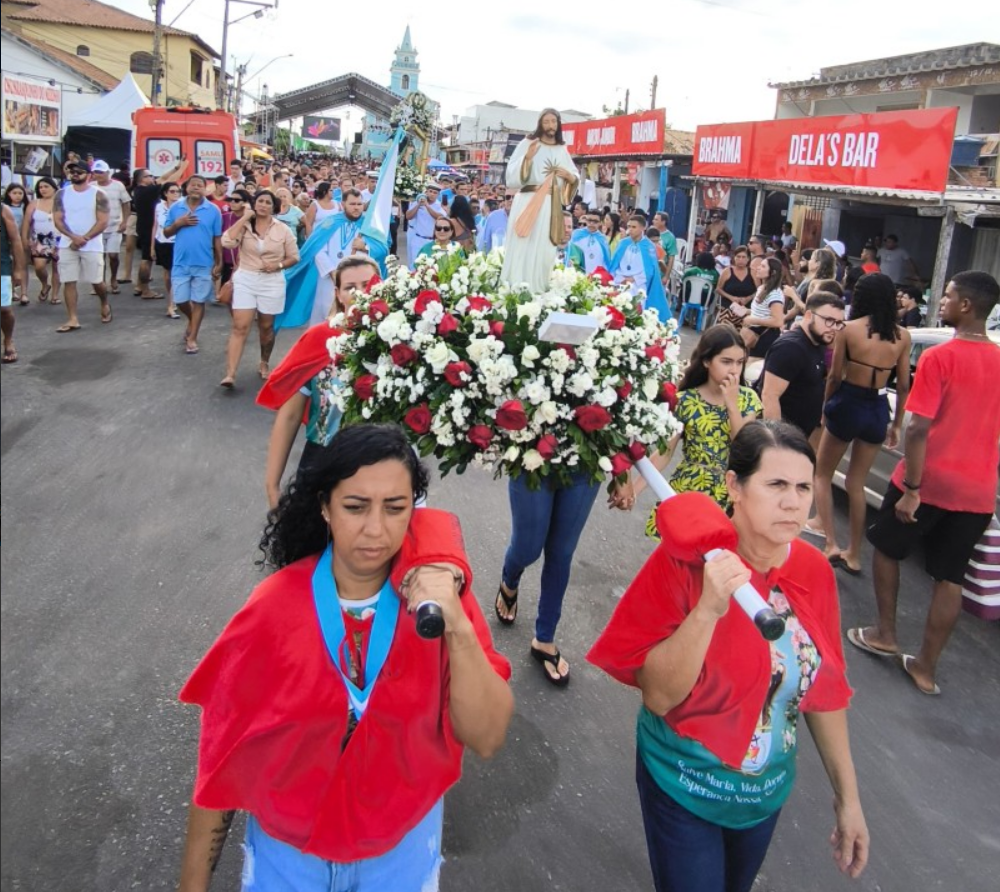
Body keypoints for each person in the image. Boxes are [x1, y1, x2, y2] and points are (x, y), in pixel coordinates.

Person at [176, 424, 514, 892]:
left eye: (395, 508)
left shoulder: (440, 605)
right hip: (290, 857)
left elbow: (487, 737)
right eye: (355, 507)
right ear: (325, 508)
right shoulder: (272, 609)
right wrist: (193, 883)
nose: (375, 530)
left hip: (400, 851)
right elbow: (223, 754)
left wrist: (455, 626)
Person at [587, 420, 869, 892]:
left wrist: (849, 799)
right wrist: (707, 610)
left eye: (803, 487)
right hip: (684, 787)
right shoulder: (684, 563)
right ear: (734, 486)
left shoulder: (814, 571)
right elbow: (658, 695)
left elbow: (822, 692)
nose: (793, 501)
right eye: (775, 484)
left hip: (763, 797)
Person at [848, 271, 1000, 696]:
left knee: (886, 549)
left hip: (928, 480)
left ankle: (885, 633)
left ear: (966, 306)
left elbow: (917, 429)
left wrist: (912, 488)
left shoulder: (939, 358)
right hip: (977, 489)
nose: (943, 302)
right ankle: (926, 669)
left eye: (949, 296)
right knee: (949, 577)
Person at [259, 256, 380, 508]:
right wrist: (272, 487)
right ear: (338, 294)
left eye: (368, 284)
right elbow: (290, 416)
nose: (360, 293)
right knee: (312, 543)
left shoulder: (403, 341)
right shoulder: (319, 339)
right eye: (350, 287)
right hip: (322, 462)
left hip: (382, 466)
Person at [813, 274, 912, 576]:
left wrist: (824, 409)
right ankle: (854, 553)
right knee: (857, 483)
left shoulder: (850, 330)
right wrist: (896, 424)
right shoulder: (903, 336)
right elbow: (905, 384)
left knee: (822, 473)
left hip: (848, 402)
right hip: (878, 407)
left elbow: (834, 376)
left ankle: (830, 542)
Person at [626, 325, 761, 538]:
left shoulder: (748, 399)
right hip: (690, 487)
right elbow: (664, 453)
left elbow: (745, 444)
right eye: (726, 362)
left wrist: (732, 405)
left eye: (740, 362)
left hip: (731, 491)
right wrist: (634, 489)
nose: (734, 370)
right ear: (707, 361)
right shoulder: (686, 401)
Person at [220, 190, 300, 387]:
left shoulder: (283, 229)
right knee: (240, 326)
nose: (263, 205)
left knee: (265, 327)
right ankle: (230, 374)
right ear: (254, 204)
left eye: (267, 202)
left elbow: (294, 256)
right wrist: (245, 217)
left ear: (274, 207)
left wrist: (278, 266)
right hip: (246, 278)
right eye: (260, 201)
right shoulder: (245, 226)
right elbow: (227, 241)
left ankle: (264, 361)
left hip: (272, 281)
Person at [279, 189, 387, 330]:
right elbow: (317, 249)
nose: (356, 207)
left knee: (356, 318)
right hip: (329, 279)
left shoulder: (368, 226)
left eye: (359, 204)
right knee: (326, 318)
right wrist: (332, 272)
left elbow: (383, 249)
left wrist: (365, 246)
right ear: (343, 204)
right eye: (352, 204)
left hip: (359, 281)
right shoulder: (330, 222)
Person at [501, 109, 578, 293]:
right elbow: (511, 173)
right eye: (547, 122)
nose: (551, 125)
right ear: (540, 124)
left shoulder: (561, 149)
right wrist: (527, 159)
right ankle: (517, 288)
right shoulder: (528, 143)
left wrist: (569, 176)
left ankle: (539, 288)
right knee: (523, 245)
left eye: (554, 121)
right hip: (528, 200)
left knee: (544, 249)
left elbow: (574, 175)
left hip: (551, 206)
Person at [760, 291, 846, 447]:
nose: (834, 328)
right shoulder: (791, 347)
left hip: (798, 436)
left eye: (839, 323)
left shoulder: (817, 342)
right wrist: (776, 444)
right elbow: (769, 396)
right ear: (808, 315)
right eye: (828, 320)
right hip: (780, 440)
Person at [163, 175, 223, 355]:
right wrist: (178, 223)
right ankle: (192, 321)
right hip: (181, 263)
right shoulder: (176, 208)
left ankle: (192, 337)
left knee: (199, 301)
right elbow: (166, 233)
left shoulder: (213, 210)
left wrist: (219, 262)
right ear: (186, 187)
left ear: (205, 189)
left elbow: (217, 238)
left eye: (200, 185)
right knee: (181, 300)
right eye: (192, 185)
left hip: (204, 263)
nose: (196, 187)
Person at [52, 160, 112, 332]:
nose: (75, 174)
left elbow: (103, 221)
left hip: (92, 245)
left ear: (89, 175)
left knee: (96, 281)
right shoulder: (61, 194)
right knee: (68, 281)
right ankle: (72, 318)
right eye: (72, 171)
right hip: (67, 243)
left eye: (79, 171)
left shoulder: (98, 194)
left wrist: (84, 238)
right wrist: (72, 237)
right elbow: (58, 219)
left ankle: (104, 303)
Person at [132, 159, 188, 300]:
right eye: (149, 176)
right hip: (148, 227)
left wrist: (176, 167)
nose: (152, 177)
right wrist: (183, 169)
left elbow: (163, 178)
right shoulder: (147, 191)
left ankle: (140, 286)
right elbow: (169, 182)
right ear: (141, 179)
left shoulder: (142, 189)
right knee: (146, 259)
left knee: (147, 258)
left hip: (145, 226)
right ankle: (145, 289)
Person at [610, 215, 671, 321]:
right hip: (620, 282)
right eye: (629, 226)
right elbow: (614, 265)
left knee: (635, 315)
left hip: (638, 285)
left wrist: (634, 279)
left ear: (643, 228)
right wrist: (619, 278)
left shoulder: (649, 246)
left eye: (634, 227)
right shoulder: (623, 243)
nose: (630, 230)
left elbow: (650, 271)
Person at [92, 160, 131, 295]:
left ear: (108, 172)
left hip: (115, 226)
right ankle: (100, 283)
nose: (98, 175)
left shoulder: (118, 186)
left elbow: (126, 203)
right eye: (96, 172)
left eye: (101, 172)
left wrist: (125, 221)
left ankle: (113, 278)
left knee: (113, 255)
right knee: (99, 257)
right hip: (97, 227)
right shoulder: (91, 186)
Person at [20, 177, 60, 304]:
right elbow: (26, 223)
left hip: (59, 238)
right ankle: (44, 285)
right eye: (40, 187)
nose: (43, 189)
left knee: (57, 267)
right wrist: (25, 239)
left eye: (46, 186)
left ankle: (55, 295)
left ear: (54, 187)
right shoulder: (34, 203)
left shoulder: (61, 203)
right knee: (39, 266)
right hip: (40, 240)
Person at [741, 257, 790, 357]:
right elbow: (764, 312)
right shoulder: (762, 288)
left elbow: (778, 321)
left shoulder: (774, 293)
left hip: (764, 337)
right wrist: (748, 311)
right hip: (753, 333)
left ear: (772, 272)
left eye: (763, 266)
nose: (758, 268)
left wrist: (754, 320)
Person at [153, 182, 182, 319]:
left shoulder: (183, 206)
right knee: (167, 274)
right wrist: (152, 246)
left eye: (178, 191)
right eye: (172, 191)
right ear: (165, 193)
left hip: (177, 242)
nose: (176, 194)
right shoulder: (159, 206)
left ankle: (171, 305)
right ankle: (174, 299)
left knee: (175, 273)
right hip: (162, 242)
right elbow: (155, 225)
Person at [2, 203, 27, 362]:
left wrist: (18, 269)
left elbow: (16, 240)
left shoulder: (3, 210)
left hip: (1, 264)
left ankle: (8, 339)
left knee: (4, 309)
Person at [715, 244, 756, 328]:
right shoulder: (727, 271)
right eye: (738, 257)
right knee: (725, 330)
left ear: (748, 259)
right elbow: (718, 289)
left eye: (744, 257)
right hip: (728, 307)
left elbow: (759, 290)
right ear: (734, 257)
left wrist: (748, 298)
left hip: (746, 309)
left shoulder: (753, 272)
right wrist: (731, 298)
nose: (741, 260)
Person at [405, 183, 445, 266]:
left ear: (438, 195)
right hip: (418, 238)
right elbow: (408, 216)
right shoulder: (418, 202)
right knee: (414, 264)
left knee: (429, 266)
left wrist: (427, 205)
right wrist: (418, 205)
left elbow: (439, 217)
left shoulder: (438, 205)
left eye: (435, 193)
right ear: (426, 192)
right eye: (430, 191)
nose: (432, 194)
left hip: (431, 240)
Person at [3, 183, 28, 304]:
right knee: (10, 267)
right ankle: (12, 291)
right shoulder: (5, 207)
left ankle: (24, 293)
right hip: (8, 241)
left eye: (20, 193)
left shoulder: (25, 207)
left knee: (22, 265)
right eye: (14, 193)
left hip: (21, 239)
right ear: (8, 194)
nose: (18, 196)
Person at [678, 251, 719, 322]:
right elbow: (715, 286)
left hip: (688, 298)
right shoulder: (715, 273)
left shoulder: (691, 271)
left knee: (683, 289)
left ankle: (683, 313)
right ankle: (697, 320)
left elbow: (682, 282)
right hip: (705, 300)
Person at [568, 211, 611, 275]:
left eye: (595, 221)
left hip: (596, 277)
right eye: (589, 220)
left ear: (600, 223)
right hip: (577, 274)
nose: (591, 223)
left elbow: (607, 261)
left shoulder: (603, 239)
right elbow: (569, 251)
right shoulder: (576, 234)